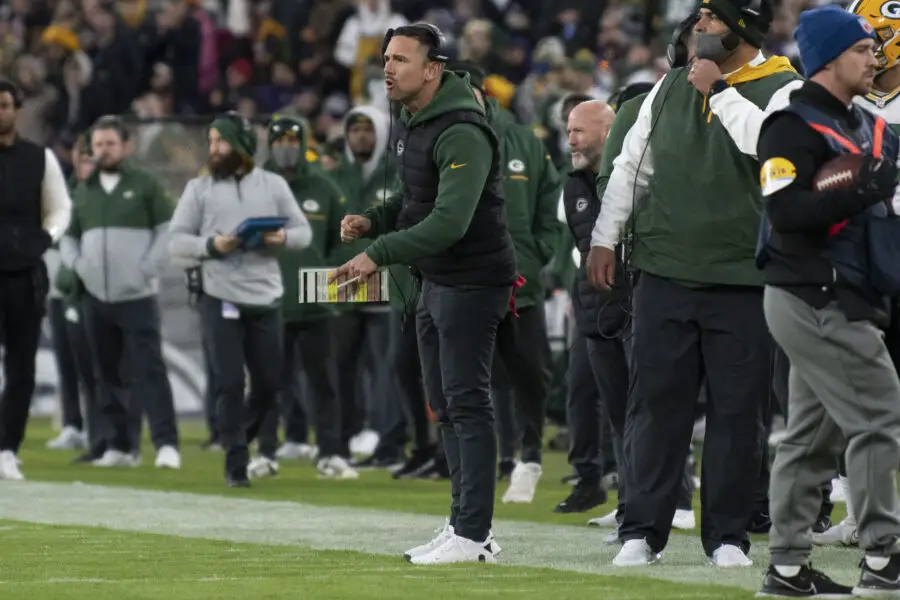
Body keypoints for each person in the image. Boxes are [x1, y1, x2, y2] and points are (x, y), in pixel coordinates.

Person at [587, 0, 802, 567]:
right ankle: (642, 530)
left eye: (712, 18)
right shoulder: (668, 86)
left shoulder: (786, 87)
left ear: (745, 28)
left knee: (738, 414)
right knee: (656, 407)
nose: (699, 27)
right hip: (663, 270)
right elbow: (635, 165)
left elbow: (774, 150)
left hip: (744, 277)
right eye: (699, 16)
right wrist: (605, 238)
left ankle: (728, 536)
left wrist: (721, 93)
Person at [334, 23, 515, 564]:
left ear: (433, 69)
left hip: (473, 279)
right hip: (436, 280)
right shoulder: (415, 120)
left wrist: (378, 253)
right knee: (445, 405)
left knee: (466, 403)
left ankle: (475, 533)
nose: (386, 68)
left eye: (400, 60)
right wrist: (373, 220)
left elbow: (450, 222)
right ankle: (462, 522)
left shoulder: (461, 128)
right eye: (386, 58)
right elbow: (417, 201)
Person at [756, 7, 900, 596]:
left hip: (844, 289)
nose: (876, 58)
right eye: (864, 50)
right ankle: (884, 557)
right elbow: (785, 212)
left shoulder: (863, 122)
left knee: (811, 438)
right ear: (832, 56)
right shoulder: (789, 125)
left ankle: (787, 566)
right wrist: (856, 189)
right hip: (812, 290)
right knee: (879, 416)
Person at [168, 111, 312, 487]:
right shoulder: (198, 189)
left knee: (268, 383)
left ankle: (239, 439)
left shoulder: (273, 185)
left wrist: (282, 239)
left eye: (222, 141)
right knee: (229, 381)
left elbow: (303, 233)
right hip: (219, 295)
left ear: (243, 145)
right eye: (212, 141)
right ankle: (236, 464)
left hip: (265, 296)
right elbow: (176, 242)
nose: (213, 149)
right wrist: (213, 245)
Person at [452, 61, 564, 504]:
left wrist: (535, 258)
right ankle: (494, 460)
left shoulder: (522, 140)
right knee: (479, 376)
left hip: (522, 282)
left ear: (483, 94)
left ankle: (531, 455)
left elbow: (548, 203)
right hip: (469, 283)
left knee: (530, 373)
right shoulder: (445, 137)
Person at [810, 0, 900, 550]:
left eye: (873, 38)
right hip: (864, 258)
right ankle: (866, 509)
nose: (867, 49)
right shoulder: (851, 104)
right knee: (861, 398)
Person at [60, 115, 181, 470]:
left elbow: (166, 230)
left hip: (137, 296)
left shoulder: (144, 185)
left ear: (125, 147)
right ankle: (119, 445)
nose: (104, 150)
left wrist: (146, 269)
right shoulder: (83, 191)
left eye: (110, 143)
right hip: (96, 296)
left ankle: (166, 444)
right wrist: (80, 265)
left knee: (149, 371)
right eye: (98, 145)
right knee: (106, 374)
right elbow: (68, 236)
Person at [253, 116, 357, 480]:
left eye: (292, 139)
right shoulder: (254, 187)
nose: (285, 146)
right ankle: (265, 452)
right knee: (267, 382)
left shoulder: (324, 188)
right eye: (278, 139)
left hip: (315, 302)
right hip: (269, 300)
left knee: (323, 383)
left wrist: (327, 282)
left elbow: (340, 244)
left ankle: (329, 452)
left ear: (304, 142)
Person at [0, 78, 72, 481]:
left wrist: (46, 238)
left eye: (6, 105)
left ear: (17, 110)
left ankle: (8, 448)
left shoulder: (39, 158)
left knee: (22, 367)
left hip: (26, 275)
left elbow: (60, 208)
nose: (1, 112)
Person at [332, 105, 409, 471]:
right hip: (345, 283)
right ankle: (344, 439)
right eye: (355, 130)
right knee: (343, 365)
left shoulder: (395, 172)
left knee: (387, 366)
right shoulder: (336, 174)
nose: (361, 136)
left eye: (368, 130)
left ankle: (388, 439)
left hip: (383, 278)